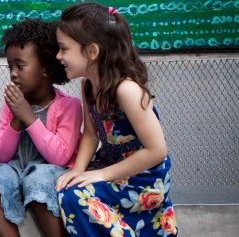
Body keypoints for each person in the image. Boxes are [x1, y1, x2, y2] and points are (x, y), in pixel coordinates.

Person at [54, 3, 178, 236]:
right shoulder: (88, 86)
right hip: (112, 168)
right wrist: (79, 169)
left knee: (74, 197)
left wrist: (100, 174)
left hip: (143, 179)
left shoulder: (127, 90)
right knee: (64, 185)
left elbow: (157, 150)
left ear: (92, 52)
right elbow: (91, 134)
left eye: (63, 49)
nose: (58, 56)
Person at [0, 19, 82, 237]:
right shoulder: (12, 105)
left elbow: (60, 156)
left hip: (53, 171)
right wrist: (16, 119)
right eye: (10, 67)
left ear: (45, 67)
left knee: (36, 180)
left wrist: (30, 119)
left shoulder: (68, 106)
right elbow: (1, 153)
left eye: (20, 66)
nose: (13, 73)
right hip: (18, 167)